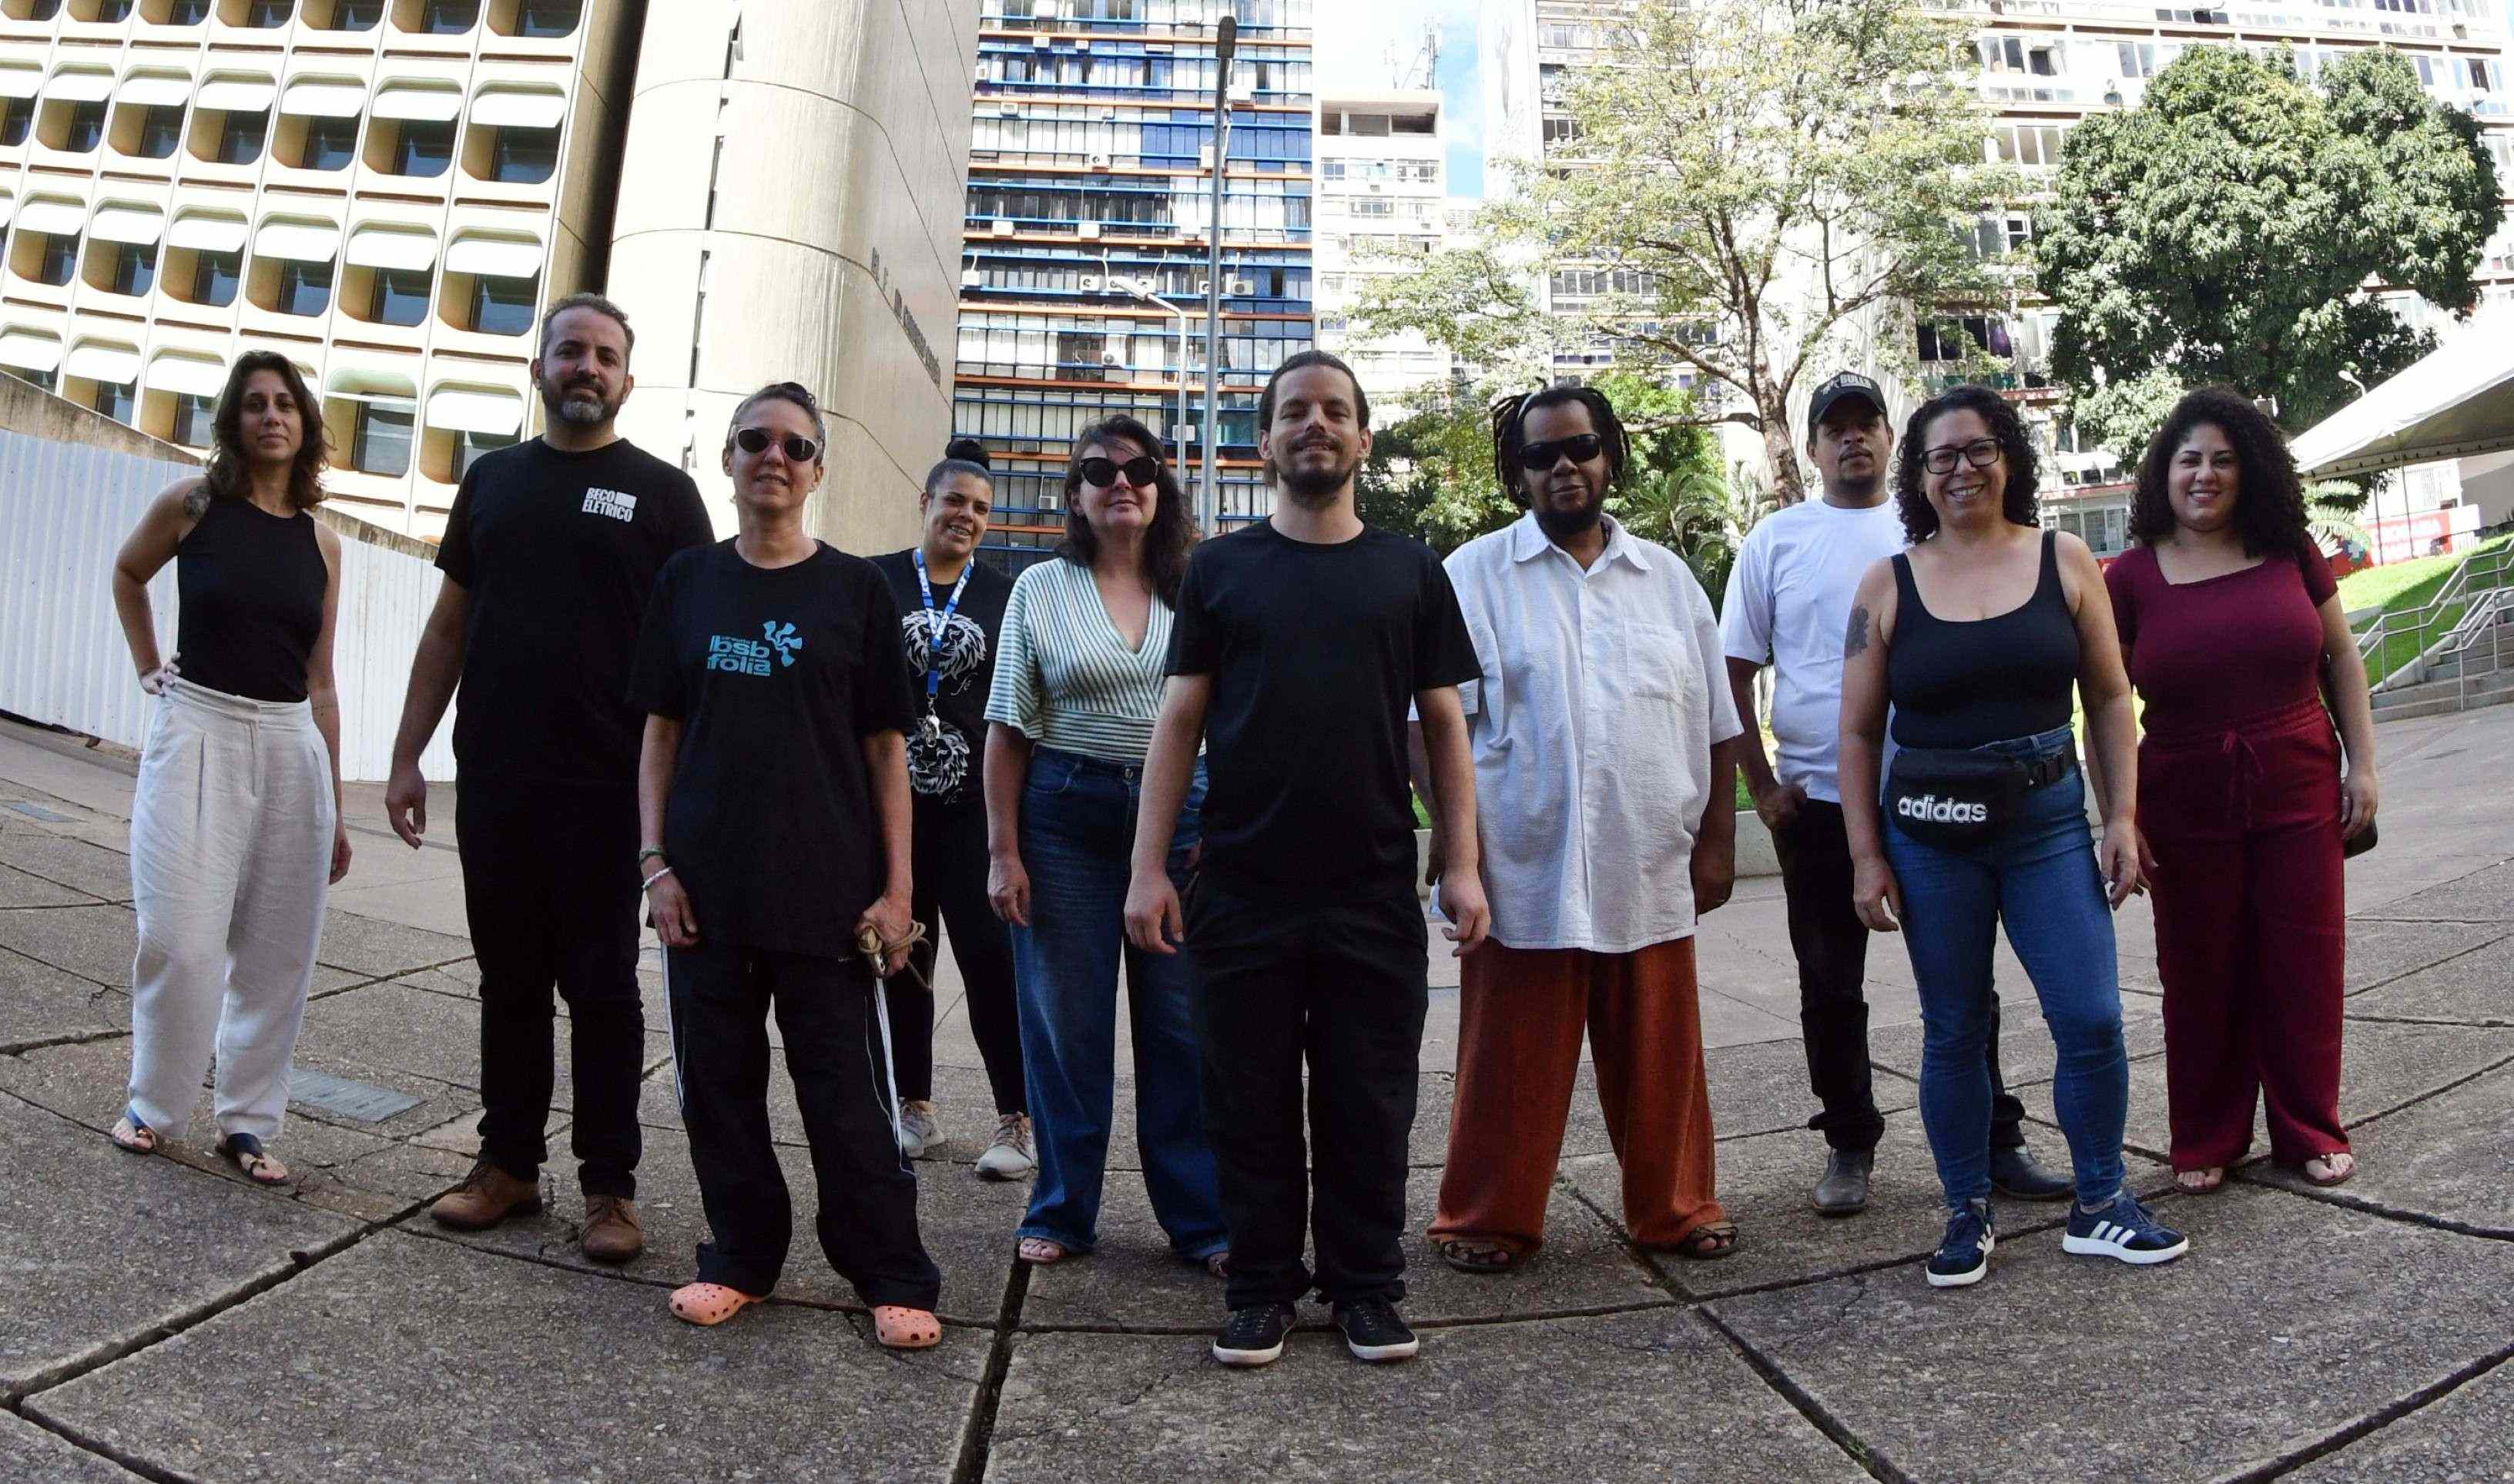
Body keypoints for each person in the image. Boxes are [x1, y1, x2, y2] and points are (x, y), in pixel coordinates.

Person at [1125, 349, 1488, 1369]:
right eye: (1294, 411)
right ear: (1265, 440)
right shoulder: (1220, 571)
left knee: (1369, 1097)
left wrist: (1459, 864)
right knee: (1245, 1099)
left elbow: (1445, 727)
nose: (1314, 424)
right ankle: (1260, 1287)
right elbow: (1180, 719)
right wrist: (1148, 869)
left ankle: (1367, 1284)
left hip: (1371, 885)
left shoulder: (1410, 570)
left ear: (1362, 437)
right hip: (1238, 885)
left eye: (1335, 410)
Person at [387, 293, 713, 1263]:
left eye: (605, 355)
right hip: (495, 776)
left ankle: (609, 1187)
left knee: (605, 987)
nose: (586, 367)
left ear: (626, 377)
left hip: (610, 790)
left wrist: (686, 795)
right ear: (540, 368)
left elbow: (695, 652)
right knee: (509, 980)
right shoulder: (490, 482)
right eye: (569, 351)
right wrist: (405, 755)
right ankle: (508, 1167)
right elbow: (449, 626)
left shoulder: (663, 496)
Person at [1839, 383, 2186, 1288]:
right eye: (1941, 456)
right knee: (1954, 1026)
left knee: (2092, 1016)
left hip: (2045, 822)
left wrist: (2119, 816)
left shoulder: (2066, 560)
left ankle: (2101, 1202)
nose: (1962, 468)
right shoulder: (1887, 583)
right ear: (1918, 474)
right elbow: (1856, 733)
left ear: (2010, 457)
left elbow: (2111, 697)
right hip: (1932, 833)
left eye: (1979, 448)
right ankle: (1965, 1208)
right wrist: (1865, 853)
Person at [629, 382, 940, 1347]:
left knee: (849, 1100)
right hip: (707, 893)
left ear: (817, 470)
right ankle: (739, 1258)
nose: (775, 456)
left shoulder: (856, 592)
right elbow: (660, 732)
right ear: (726, 459)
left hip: (830, 897)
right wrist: (654, 867)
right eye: (754, 440)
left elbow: (888, 751)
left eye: (796, 445)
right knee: (717, 1089)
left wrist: (898, 892)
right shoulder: (688, 581)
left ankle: (891, 1273)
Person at [1721, 372, 2071, 1215]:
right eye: (1833, 428)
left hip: (1935, 793)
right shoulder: (1777, 540)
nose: (1852, 440)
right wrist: (1762, 786)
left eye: (1866, 423)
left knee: (1961, 985)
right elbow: (1728, 669)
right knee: (1829, 984)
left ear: (1891, 438)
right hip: (1819, 808)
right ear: (1809, 448)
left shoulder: (1927, 525)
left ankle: (1997, 1139)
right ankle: (1850, 1141)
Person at [1423, 384, 1744, 1272]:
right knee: (1507, 1058)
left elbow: (1718, 723)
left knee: (1663, 1057)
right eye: (1541, 455)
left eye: (1583, 447)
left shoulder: (1668, 579)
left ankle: (1678, 1208)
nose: (1565, 466)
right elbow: (1429, 725)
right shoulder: (1474, 574)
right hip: (1524, 862)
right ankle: (1485, 1215)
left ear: (1611, 456)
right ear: (1515, 473)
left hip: (1647, 857)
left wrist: (1717, 840)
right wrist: (1460, 854)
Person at [2101, 387, 2375, 1194]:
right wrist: (2118, 811)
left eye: (2223, 459)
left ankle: (2309, 1127)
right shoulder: (2133, 577)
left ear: (2247, 468)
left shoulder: (2289, 548)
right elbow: (2107, 705)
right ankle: (2207, 1134)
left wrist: (2363, 764)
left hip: (2296, 777)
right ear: (2165, 472)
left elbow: (2343, 661)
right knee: (2199, 968)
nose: (2206, 475)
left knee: (2305, 960)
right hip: (2181, 793)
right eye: (2190, 459)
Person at [983, 417, 1227, 1275]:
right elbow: (1009, 725)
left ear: (1162, 488)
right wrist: (1003, 850)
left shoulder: (1195, 585)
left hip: (1182, 825)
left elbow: (1224, 721)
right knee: (1065, 1026)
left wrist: (1218, 824)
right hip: (1063, 819)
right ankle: (1064, 1208)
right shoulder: (1040, 588)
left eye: (1139, 468)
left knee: (1180, 1026)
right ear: (1077, 496)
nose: (1121, 481)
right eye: (1099, 469)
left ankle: (1200, 1220)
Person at [106, 351, 350, 1186]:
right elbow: (128, 573)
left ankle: (246, 1123)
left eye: (285, 404)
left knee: (279, 950)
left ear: (306, 424)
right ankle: (154, 1104)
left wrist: (338, 806)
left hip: (291, 743)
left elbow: (321, 677)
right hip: (197, 726)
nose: (271, 416)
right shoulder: (193, 506)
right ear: (234, 421)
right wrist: (148, 667)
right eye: (254, 404)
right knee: (178, 934)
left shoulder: (323, 541)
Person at [871, 451, 1031, 1178]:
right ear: (924, 500)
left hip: (973, 813)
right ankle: (916, 1109)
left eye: (980, 507)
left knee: (991, 963)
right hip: (893, 811)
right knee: (904, 957)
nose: (965, 515)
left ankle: (1018, 1118)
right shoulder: (874, 580)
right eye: (954, 500)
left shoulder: (1007, 594)